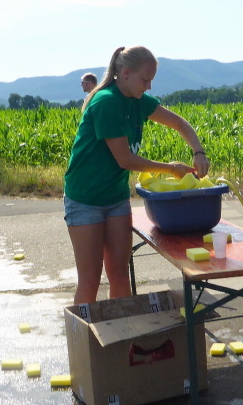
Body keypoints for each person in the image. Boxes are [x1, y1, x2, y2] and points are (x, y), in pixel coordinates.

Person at [64, 46, 210, 305]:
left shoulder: (139, 100)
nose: (149, 86)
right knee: (90, 280)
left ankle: (124, 328)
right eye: (145, 79)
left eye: (151, 80)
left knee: (119, 273)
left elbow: (180, 123)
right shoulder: (107, 101)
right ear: (126, 73)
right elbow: (125, 159)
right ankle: (84, 331)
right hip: (84, 199)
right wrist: (171, 168)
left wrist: (198, 152)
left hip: (116, 197)